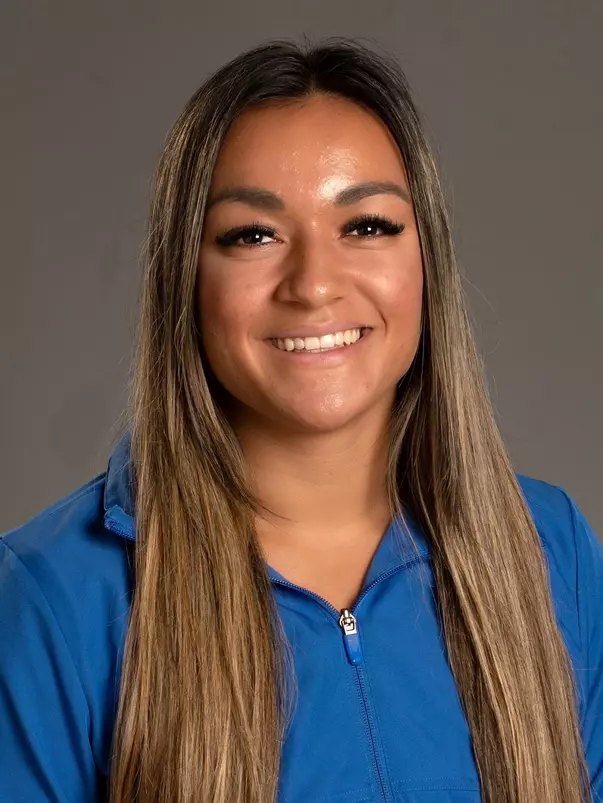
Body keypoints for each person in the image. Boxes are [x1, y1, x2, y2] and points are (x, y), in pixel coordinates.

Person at [0, 38, 601, 803]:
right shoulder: (51, 596)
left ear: (428, 261)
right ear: (186, 275)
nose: (314, 284)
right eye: (252, 235)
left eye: (368, 226)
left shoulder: (552, 552)